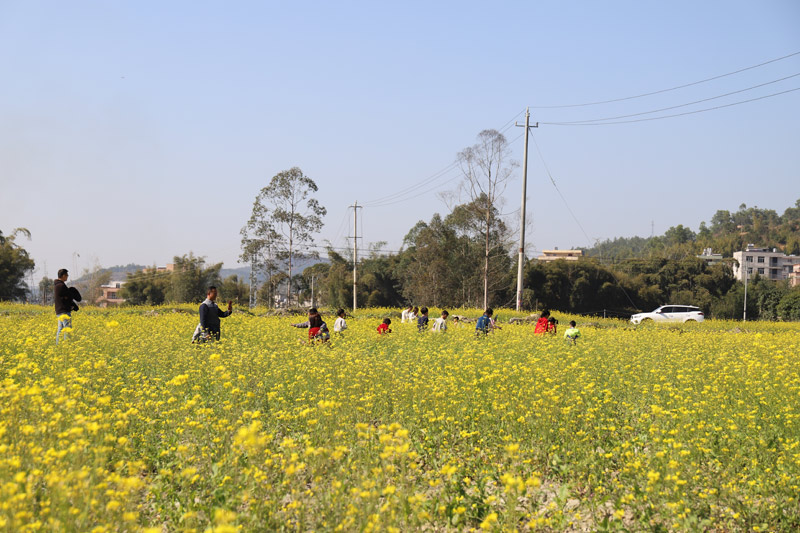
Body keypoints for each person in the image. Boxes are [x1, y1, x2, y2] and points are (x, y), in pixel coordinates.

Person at [54, 268, 76, 344]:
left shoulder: (57, 285)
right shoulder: (61, 285)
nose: (67, 276)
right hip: (64, 311)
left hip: (59, 311)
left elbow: (65, 297)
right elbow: (68, 297)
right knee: (67, 329)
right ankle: (67, 345)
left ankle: (58, 345)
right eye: (67, 275)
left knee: (60, 329)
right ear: (63, 275)